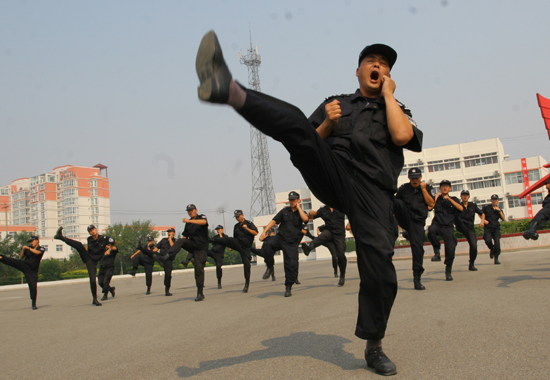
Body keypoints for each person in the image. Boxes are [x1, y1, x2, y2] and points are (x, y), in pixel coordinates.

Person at [195, 31, 422, 375]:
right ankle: (229, 90)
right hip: (335, 173)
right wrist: (329, 122)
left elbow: (403, 136)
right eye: (371, 61)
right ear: (358, 71)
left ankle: (374, 345)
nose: (378, 66)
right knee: (299, 125)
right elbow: (305, 144)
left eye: (385, 64)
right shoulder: (337, 103)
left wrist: (390, 96)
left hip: (375, 193)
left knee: (380, 266)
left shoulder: (399, 108)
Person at [256, 191, 309, 297]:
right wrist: (264, 232)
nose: (292, 201)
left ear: (298, 200)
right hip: (281, 238)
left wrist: (298, 208)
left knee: (291, 266)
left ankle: (288, 287)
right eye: (290, 200)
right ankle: (270, 267)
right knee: (268, 244)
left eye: (294, 199)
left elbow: (306, 220)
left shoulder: (302, 213)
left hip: (292, 243)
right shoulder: (284, 211)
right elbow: (274, 221)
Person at [394, 168, 435, 290]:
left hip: (417, 222)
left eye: (416, 178)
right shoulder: (404, 188)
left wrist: (423, 189)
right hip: (405, 218)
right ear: (409, 178)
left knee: (418, 250)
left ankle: (417, 279)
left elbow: (431, 204)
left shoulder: (426, 189)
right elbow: (395, 204)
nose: (414, 180)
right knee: (394, 200)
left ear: (421, 177)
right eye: (412, 178)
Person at [54, 225, 115, 306]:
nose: (92, 231)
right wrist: (83, 253)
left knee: (93, 280)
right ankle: (61, 237)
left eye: (93, 229)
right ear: (89, 233)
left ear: (96, 229)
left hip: (98, 259)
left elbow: (113, 242)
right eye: (90, 231)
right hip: (89, 259)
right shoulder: (89, 239)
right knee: (79, 245)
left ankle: (95, 299)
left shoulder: (104, 238)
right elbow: (87, 247)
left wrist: (109, 249)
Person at [210, 210, 259, 293]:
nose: (237, 218)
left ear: (242, 215)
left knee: (247, 264)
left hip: (246, 247)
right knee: (226, 239)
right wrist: (232, 246)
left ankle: (246, 284)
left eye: (238, 216)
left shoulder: (249, 223)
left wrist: (247, 228)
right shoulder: (236, 226)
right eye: (236, 217)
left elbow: (255, 232)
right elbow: (234, 238)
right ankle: (209, 239)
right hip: (238, 243)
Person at [168, 204, 209, 301]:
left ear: (196, 210)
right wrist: (176, 245)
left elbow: (204, 222)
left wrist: (189, 220)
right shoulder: (188, 224)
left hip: (201, 248)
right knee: (181, 240)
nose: (190, 212)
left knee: (198, 270)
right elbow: (185, 237)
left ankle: (200, 293)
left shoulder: (201, 217)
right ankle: (168, 256)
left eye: (192, 210)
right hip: (192, 246)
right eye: (188, 211)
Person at [302, 206, 348, 286]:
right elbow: (311, 217)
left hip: (339, 234)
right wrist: (310, 213)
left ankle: (342, 275)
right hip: (329, 231)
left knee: (341, 255)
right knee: (322, 237)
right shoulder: (323, 210)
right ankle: (309, 248)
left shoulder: (341, 206)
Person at [427, 180, 463, 281]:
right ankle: (437, 252)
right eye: (443, 186)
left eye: (447, 186)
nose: (445, 188)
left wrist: (449, 200)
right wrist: (436, 197)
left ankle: (448, 272)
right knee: (431, 231)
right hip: (437, 224)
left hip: (448, 227)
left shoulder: (454, 199)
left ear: (450, 188)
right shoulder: (436, 199)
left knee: (450, 249)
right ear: (440, 188)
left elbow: (460, 208)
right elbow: (430, 207)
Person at [0, 235, 45, 310]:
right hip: (25, 265)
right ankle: (1, 257)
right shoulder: (28, 248)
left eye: (32, 241)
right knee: (14, 261)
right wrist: (23, 249)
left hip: (32, 270)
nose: (31, 243)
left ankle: (33, 303)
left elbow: (38, 253)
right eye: (30, 241)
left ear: (37, 240)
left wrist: (28, 249)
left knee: (33, 286)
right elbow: (21, 256)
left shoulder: (41, 248)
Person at [139, 228, 176, 296]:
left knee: (168, 275)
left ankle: (167, 290)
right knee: (153, 254)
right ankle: (141, 248)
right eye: (168, 232)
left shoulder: (175, 240)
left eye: (171, 232)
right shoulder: (163, 240)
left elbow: (173, 247)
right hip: (161, 256)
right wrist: (149, 250)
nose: (169, 233)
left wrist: (170, 239)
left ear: (174, 233)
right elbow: (155, 249)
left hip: (168, 259)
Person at [455, 190, 483, 271]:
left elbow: (482, 213)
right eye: (463, 195)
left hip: (469, 228)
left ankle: (471, 264)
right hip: (460, 227)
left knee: (474, 245)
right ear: (461, 196)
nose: (465, 196)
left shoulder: (472, 205)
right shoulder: (458, 205)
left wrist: (482, 221)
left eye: (466, 195)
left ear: (469, 197)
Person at [480, 194, 505, 265]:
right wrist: (483, 220)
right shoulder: (486, 208)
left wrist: (499, 211)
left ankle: (496, 258)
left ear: (498, 201)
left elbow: (503, 218)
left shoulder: (499, 209)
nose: (494, 201)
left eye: (496, 200)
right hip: (488, 228)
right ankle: (492, 249)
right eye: (493, 199)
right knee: (487, 240)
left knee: (497, 243)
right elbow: (481, 214)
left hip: (496, 228)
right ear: (491, 200)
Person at [208, 225, 227, 289]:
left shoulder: (225, 237)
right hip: (213, 252)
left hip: (219, 255)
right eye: (217, 230)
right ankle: (191, 259)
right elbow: (210, 240)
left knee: (218, 267)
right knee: (203, 251)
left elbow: (224, 241)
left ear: (222, 230)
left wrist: (221, 235)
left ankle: (219, 282)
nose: (218, 231)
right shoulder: (215, 237)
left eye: (219, 229)